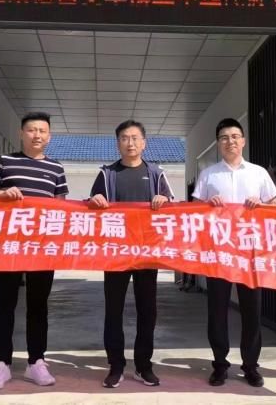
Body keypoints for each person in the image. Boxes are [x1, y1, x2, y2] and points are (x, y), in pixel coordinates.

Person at [0, 112, 69, 390]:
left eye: (42, 131)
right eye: (31, 130)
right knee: (4, 304)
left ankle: (36, 362)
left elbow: (61, 207)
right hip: (8, 245)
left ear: (49, 136)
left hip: (42, 247)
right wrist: (1, 194)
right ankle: (1, 363)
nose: (37, 135)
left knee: (38, 306)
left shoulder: (56, 168)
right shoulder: (4, 161)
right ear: (21, 133)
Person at [191, 118, 276, 388]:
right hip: (219, 253)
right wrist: (208, 204)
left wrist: (261, 205)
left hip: (250, 253)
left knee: (252, 311)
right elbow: (193, 211)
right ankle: (220, 365)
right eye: (224, 137)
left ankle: (251, 366)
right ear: (218, 143)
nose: (230, 141)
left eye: (234, 136)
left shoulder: (258, 173)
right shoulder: (209, 175)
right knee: (217, 310)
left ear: (243, 141)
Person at [88, 120, 175, 389]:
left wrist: (164, 201)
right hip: (115, 254)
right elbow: (91, 206)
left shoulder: (156, 174)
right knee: (113, 311)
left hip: (147, 253)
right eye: (125, 138)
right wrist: (95, 202)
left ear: (144, 143)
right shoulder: (106, 174)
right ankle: (116, 366)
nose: (130, 143)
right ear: (118, 143)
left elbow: (173, 208)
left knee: (147, 311)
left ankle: (143, 366)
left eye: (135, 138)